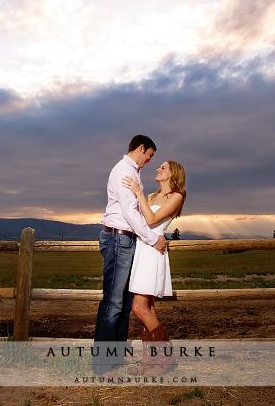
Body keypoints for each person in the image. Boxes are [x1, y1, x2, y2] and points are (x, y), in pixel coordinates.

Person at [92, 135, 167, 375]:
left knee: (123, 305)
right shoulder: (124, 170)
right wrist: (154, 239)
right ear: (141, 148)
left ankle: (114, 361)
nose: (149, 160)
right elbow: (130, 213)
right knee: (112, 303)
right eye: (150, 155)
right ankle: (103, 366)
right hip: (118, 238)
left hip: (126, 240)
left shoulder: (133, 173)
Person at [122, 159, 186, 376]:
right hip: (142, 249)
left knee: (138, 308)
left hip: (153, 253)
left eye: (163, 168)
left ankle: (167, 359)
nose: (158, 169)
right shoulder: (151, 196)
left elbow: (150, 220)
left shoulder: (176, 197)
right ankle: (151, 363)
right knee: (148, 310)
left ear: (173, 173)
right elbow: (138, 223)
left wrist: (138, 192)